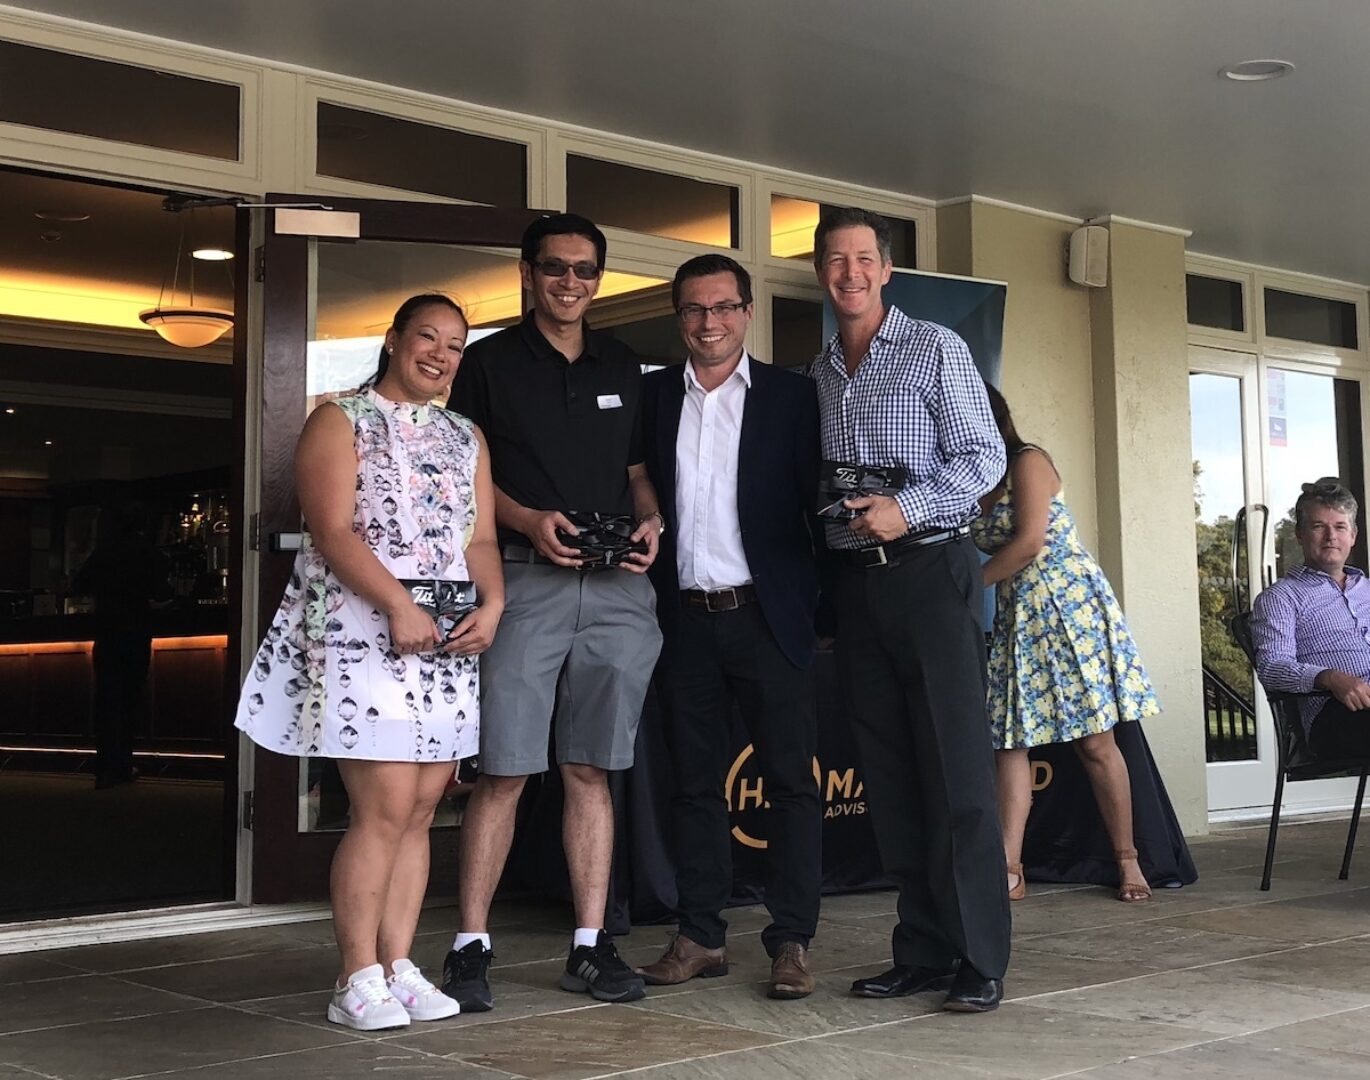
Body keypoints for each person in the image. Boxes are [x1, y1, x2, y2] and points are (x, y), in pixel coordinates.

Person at [234, 294, 503, 1031]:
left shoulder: (465, 435)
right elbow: (332, 530)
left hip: (445, 635)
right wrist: (396, 604)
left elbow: (479, 540)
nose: (441, 354)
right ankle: (355, 976)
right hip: (362, 629)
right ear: (392, 339)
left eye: (455, 345)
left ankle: (397, 964)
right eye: (428, 337)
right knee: (382, 807)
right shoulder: (339, 419)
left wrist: (493, 605)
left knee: (422, 807)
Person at [443, 213, 664, 1009]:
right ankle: (470, 946)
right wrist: (528, 520)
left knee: (590, 769)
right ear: (527, 274)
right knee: (504, 770)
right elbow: (465, 475)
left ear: (598, 279)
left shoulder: (624, 362)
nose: (570, 282)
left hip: (616, 588)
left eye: (584, 270)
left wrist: (651, 518)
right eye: (555, 268)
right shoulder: (488, 363)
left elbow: (636, 470)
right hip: (522, 579)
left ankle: (590, 945)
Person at [810, 207, 1010, 1012]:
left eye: (864, 259)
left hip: (931, 572)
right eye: (836, 260)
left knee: (956, 775)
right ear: (821, 274)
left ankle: (980, 957)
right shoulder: (821, 371)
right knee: (890, 778)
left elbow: (985, 456)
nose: (850, 273)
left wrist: (907, 507)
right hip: (859, 588)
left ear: (886, 270)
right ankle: (923, 950)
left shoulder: (935, 347)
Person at [635, 254, 823, 999]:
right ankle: (701, 936)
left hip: (768, 618)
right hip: (684, 620)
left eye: (722, 307)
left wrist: (819, 612)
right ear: (678, 317)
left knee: (791, 785)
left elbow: (816, 506)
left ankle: (792, 940)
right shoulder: (653, 396)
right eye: (693, 309)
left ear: (747, 312)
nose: (708, 322)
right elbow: (636, 478)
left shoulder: (793, 396)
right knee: (694, 787)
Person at [974, 384, 1159, 904]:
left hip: (1069, 610)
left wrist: (967, 587)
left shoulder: (1027, 461)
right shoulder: (969, 481)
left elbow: (1030, 542)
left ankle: (1128, 859)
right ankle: (1009, 868)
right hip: (1017, 616)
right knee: (1010, 742)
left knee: (1095, 741)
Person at [1251, 477, 1370, 758]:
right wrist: (1330, 678)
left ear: (1353, 536)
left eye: (1340, 527)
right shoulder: (1281, 597)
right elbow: (1272, 667)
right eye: (1319, 526)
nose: (1331, 537)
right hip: (1336, 714)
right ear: (1300, 534)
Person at [74, 502, 172, 788]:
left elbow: (78, 586)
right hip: (137, 630)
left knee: (107, 700)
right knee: (130, 700)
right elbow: (162, 591)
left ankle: (106, 766)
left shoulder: (103, 553)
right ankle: (123, 764)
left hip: (106, 631)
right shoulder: (148, 553)